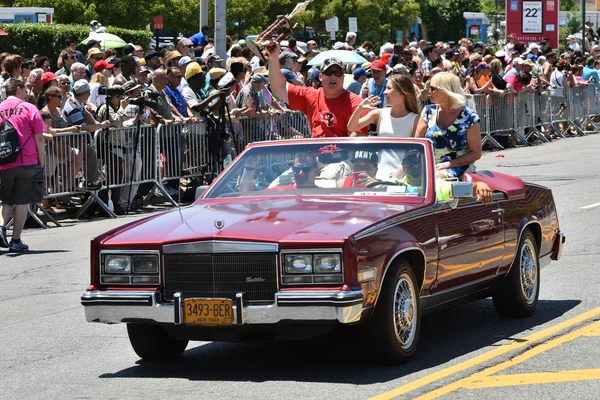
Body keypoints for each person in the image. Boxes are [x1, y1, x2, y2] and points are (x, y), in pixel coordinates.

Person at [267, 42, 367, 137]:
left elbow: (356, 139)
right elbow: (279, 88)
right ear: (320, 76)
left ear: (343, 77)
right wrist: (273, 56)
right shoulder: (310, 95)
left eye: (338, 73)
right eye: (328, 72)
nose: (333, 77)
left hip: (342, 154)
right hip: (315, 153)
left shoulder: (355, 103)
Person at [0, 80, 46, 252]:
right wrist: (41, 160)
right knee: (21, 202)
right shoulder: (29, 108)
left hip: (4, 160)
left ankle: (1, 227)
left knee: (6, 200)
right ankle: (16, 240)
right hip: (27, 160)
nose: (27, 92)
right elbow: (39, 138)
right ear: (18, 90)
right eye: (25, 89)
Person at [415, 72, 482, 179]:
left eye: (433, 88)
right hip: (430, 166)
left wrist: (448, 164)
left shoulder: (469, 117)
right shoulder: (428, 112)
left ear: (445, 91)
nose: (429, 91)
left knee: (434, 179)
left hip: (459, 166)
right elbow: (416, 145)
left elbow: (475, 153)